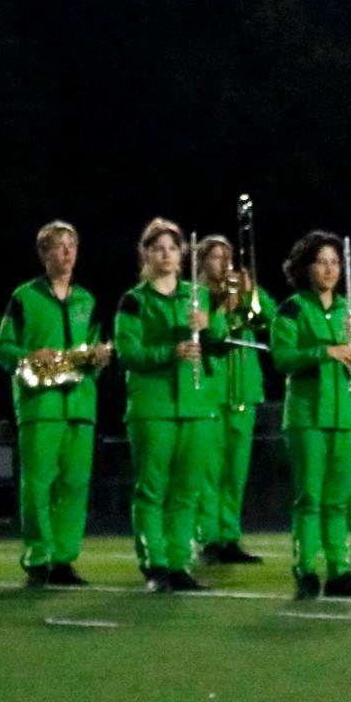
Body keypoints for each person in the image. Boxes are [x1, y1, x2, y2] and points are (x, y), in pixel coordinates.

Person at [113, 219, 227, 593]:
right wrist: (169, 351)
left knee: (188, 489)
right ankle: (154, 563)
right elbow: (128, 352)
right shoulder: (134, 300)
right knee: (153, 488)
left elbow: (221, 343)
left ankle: (179, 563)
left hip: (196, 405)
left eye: (173, 248)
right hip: (153, 406)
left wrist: (209, 325)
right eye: (158, 248)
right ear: (146, 254)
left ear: (182, 255)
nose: (166, 254)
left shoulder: (197, 297)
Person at [0, 221, 108, 588]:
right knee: (39, 485)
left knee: (75, 484)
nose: (67, 253)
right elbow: (1, 348)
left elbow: (95, 348)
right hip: (39, 406)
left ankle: (64, 559)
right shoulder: (24, 297)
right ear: (44, 254)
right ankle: (38, 558)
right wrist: (29, 357)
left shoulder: (88, 300)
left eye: (72, 245)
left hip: (80, 405)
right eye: (58, 247)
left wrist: (100, 358)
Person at [271, 230, 351, 600]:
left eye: (335, 262)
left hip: (347, 416)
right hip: (308, 416)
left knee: (339, 501)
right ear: (306, 267)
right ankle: (305, 571)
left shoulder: (350, 311)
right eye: (322, 261)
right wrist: (324, 352)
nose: (330, 269)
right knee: (310, 497)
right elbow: (282, 358)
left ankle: (339, 571)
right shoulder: (292, 309)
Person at [195, 233, 272, 565]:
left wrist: (251, 290)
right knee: (210, 472)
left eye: (227, 256)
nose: (224, 263)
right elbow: (212, 335)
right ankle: (208, 537)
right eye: (215, 257)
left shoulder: (242, 294)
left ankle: (230, 536)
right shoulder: (197, 296)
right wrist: (225, 305)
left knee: (235, 472)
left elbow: (269, 316)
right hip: (212, 393)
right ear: (202, 262)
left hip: (244, 392)